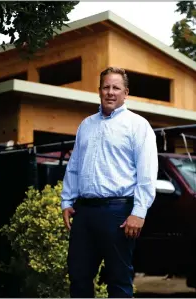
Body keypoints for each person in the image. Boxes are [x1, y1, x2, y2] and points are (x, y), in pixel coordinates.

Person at [61, 67, 158, 298]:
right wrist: (66, 201)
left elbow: (147, 172)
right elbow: (74, 166)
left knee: (118, 280)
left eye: (116, 88)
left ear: (126, 93)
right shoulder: (86, 125)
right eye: (106, 87)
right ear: (99, 91)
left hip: (119, 213)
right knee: (79, 276)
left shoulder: (138, 125)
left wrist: (139, 212)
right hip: (84, 213)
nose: (110, 92)